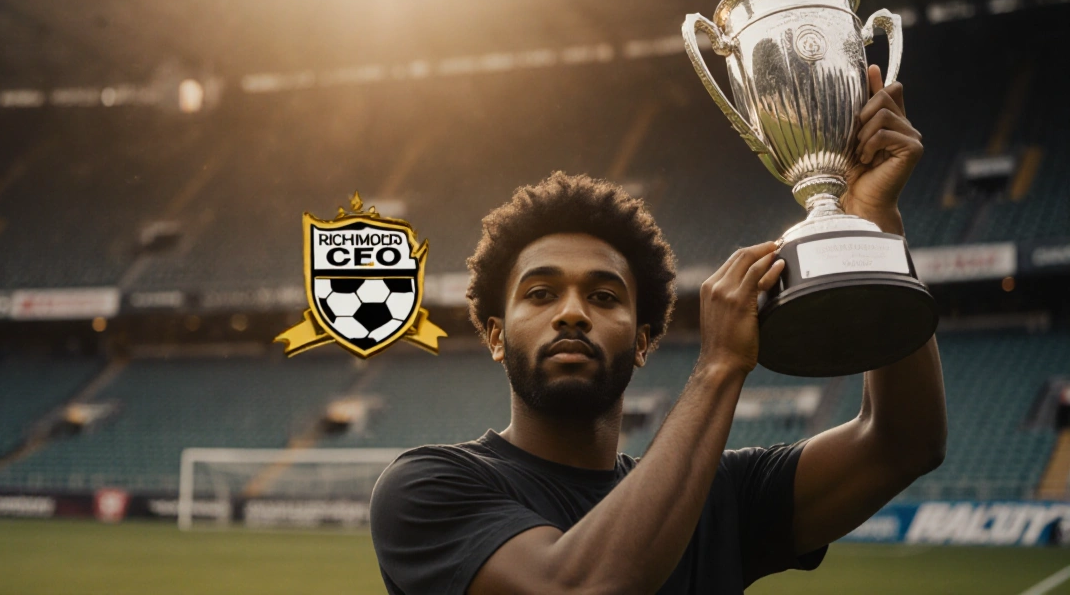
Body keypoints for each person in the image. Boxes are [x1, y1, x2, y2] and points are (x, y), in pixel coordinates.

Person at [369, 65, 947, 594]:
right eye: (541, 294)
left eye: (603, 296)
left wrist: (872, 224)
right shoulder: (428, 486)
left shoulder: (717, 493)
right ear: (495, 335)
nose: (572, 312)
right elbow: (578, 588)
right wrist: (719, 366)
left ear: (644, 341)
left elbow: (903, 442)